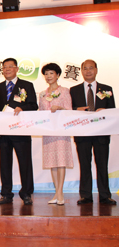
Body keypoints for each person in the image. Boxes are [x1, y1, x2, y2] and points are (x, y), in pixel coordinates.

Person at [70, 59, 116, 205]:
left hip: (101, 133)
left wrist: (106, 111)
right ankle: (85, 196)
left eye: (91, 68)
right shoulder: (74, 90)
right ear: (81, 71)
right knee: (84, 164)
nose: (88, 71)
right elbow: (69, 112)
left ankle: (105, 195)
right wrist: (76, 111)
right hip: (82, 134)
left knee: (102, 165)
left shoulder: (106, 89)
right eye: (85, 68)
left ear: (96, 70)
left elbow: (113, 111)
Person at [0, 58, 38, 205]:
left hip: (21, 130)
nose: (7, 69)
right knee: (5, 164)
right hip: (4, 132)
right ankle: (6, 194)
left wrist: (22, 108)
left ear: (17, 69)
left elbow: (34, 105)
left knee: (25, 163)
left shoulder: (26, 85)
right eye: (4, 67)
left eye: (10, 67)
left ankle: (26, 193)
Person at [39, 63, 73, 205]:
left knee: (61, 162)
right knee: (52, 163)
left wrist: (59, 107)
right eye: (46, 74)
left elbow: (70, 109)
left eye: (51, 73)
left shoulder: (65, 91)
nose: (48, 76)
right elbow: (40, 112)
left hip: (61, 131)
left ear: (57, 75)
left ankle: (60, 193)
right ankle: (56, 194)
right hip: (48, 132)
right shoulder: (42, 94)